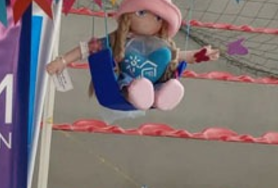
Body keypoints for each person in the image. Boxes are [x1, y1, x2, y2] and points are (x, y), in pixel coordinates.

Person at [44, 0, 218, 111]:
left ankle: (162, 94)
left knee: (165, 56)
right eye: (142, 13)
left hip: (154, 82)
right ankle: (137, 92)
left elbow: (177, 56)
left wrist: (199, 55)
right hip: (124, 83)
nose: (150, 21)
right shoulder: (117, 40)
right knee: (131, 83)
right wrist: (62, 61)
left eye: (158, 18)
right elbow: (86, 48)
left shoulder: (160, 45)